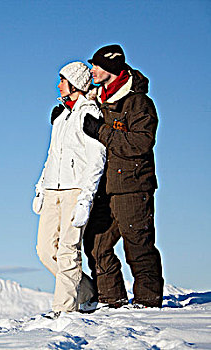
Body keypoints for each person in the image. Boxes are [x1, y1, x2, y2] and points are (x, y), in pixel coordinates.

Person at [82, 44, 164, 308]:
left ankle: (147, 302)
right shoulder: (100, 99)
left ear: (111, 68)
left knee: (138, 244)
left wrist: (102, 132)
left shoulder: (138, 103)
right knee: (96, 244)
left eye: (96, 65)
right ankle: (111, 300)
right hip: (104, 187)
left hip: (132, 185)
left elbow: (141, 143)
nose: (91, 70)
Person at [33, 61, 106, 319]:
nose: (58, 85)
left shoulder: (89, 113)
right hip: (53, 190)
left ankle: (63, 309)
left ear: (74, 84)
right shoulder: (60, 116)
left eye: (62, 80)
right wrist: (41, 187)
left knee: (68, 250)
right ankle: (86, 292)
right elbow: (52, 155)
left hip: (75, 190)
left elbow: (97, 158)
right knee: (44, 250)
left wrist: (86, 198)